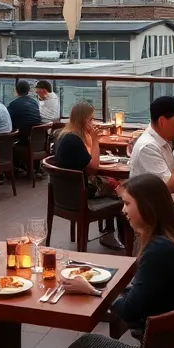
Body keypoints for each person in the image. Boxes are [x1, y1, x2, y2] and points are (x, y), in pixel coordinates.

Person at [109, 173, 174, 334]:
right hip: (172, 337)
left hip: (157, 342)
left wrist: (98, 293)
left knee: (84, 345)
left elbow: (129, 311)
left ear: (147, 206)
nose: (123, 210)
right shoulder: (172, 239)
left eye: (127, 203)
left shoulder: (158, 251)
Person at [53, 101, 123, 248]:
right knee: (122, 188)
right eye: (90, 120)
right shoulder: (73, 140)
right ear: (83, 120)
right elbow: (94, 167)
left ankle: (110, 231)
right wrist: (95, 140)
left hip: (64, 191)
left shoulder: (63, 135)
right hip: (80, 192)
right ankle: (115, 235)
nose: (93, 123)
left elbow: (85, 159)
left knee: (113, 182)